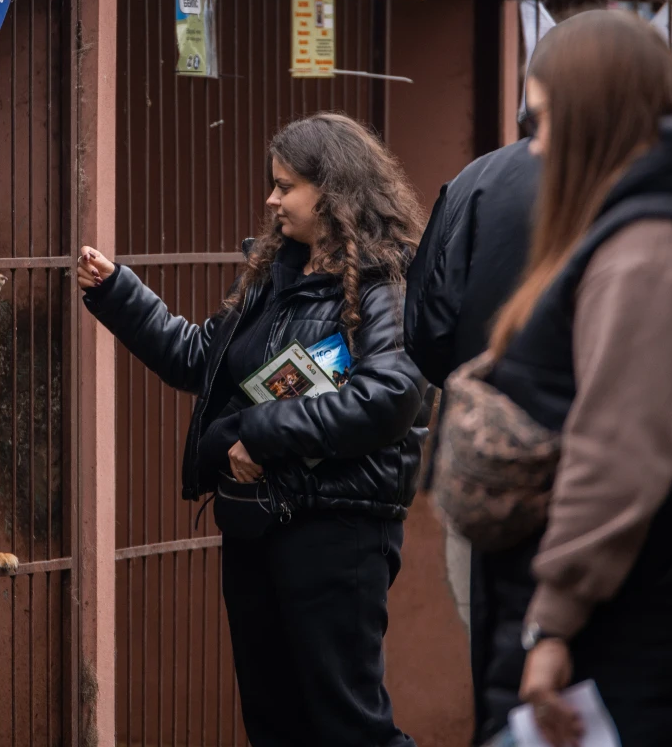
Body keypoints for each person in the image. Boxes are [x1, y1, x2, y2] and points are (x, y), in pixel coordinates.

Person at [477, 9, 672, 745]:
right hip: (661, 617)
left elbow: (618, 451)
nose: (537, 143)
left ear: (598, 117)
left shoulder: (654, 248)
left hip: (635, 632)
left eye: (546, 118)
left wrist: (552, 623)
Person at [76, 112, 429, 747]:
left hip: (336, 529)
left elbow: (391, 396)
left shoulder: (387, 283)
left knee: (349, 726)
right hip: (256, 525)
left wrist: (260, 432)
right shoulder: (271, 276)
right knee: (273, 721)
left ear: (332, 191)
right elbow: (197, 358)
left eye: (286, 186)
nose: (271, 200)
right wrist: (120, 293)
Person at [405, 122, 541, 743]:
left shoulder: (474, 181)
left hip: (489, 464)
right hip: (616, 468)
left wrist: (477, 395)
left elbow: (426, 326)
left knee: (496, 646)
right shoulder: (650, 185)